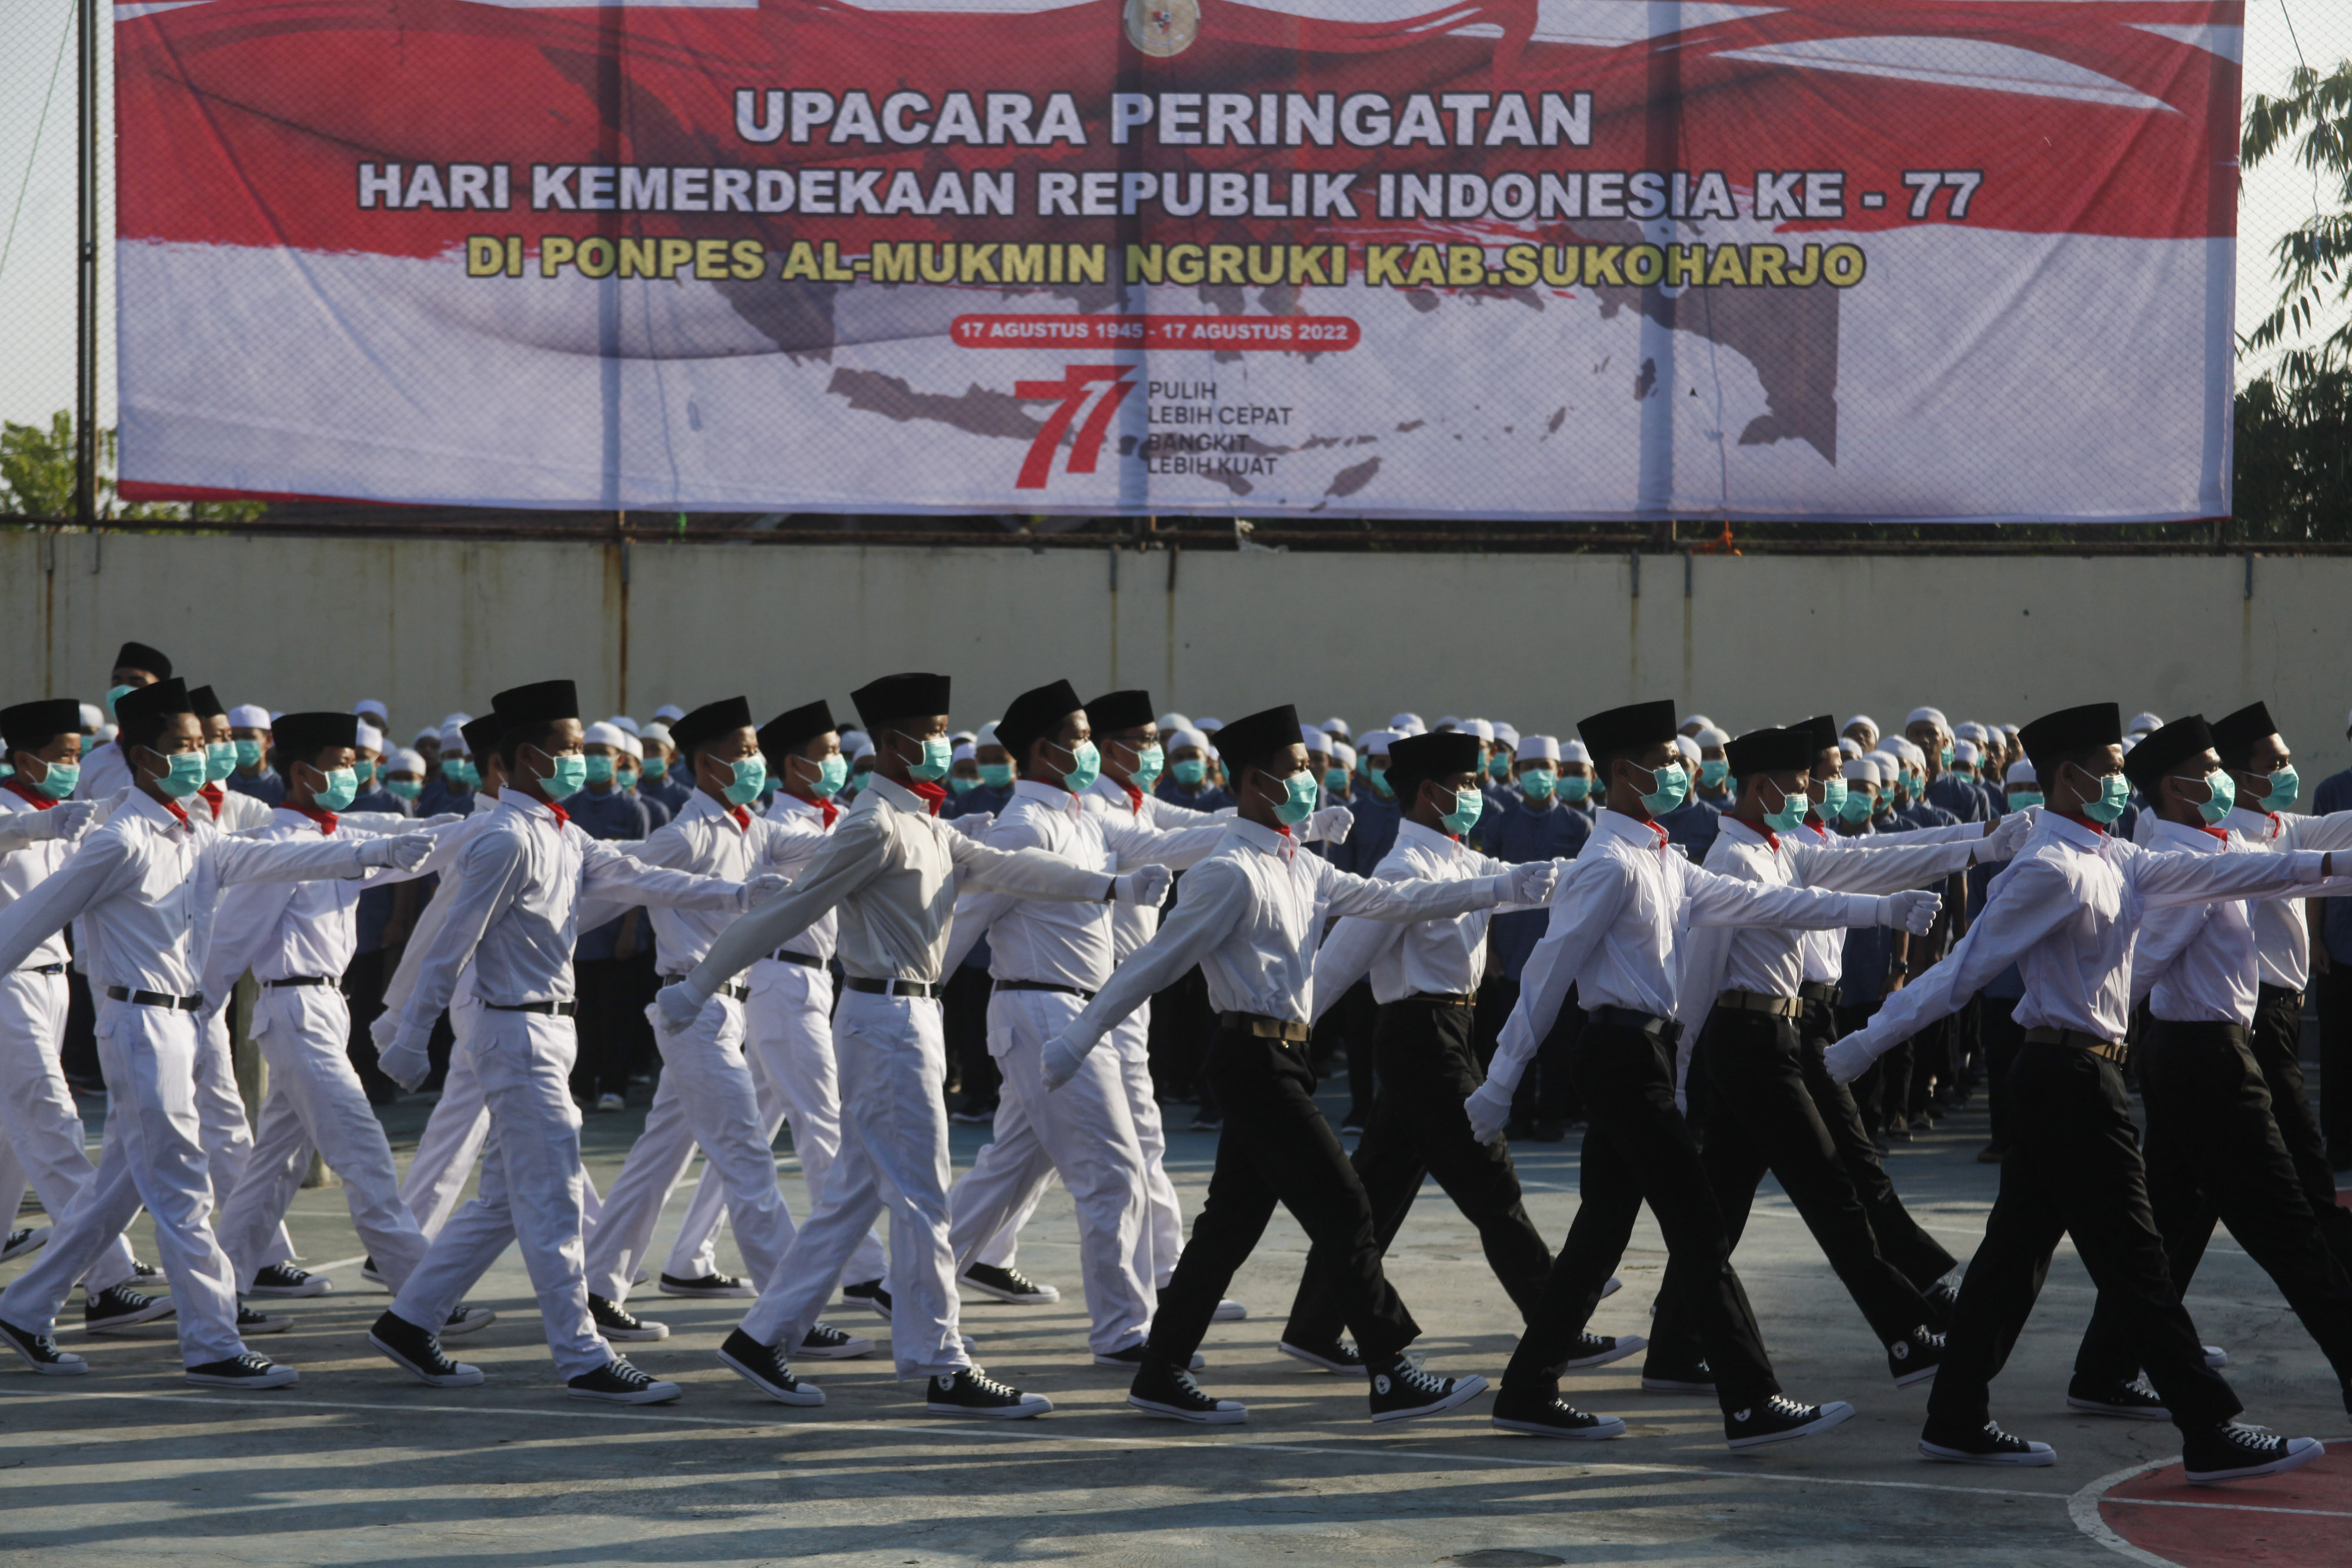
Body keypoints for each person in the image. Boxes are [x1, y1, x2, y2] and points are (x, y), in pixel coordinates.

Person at [1825, 703, 2335, 1482]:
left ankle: (1955, 1414)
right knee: (2136, 1257)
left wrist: (2329, 865)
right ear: (2068, 776)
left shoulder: (2120, 858)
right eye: (2108, 766)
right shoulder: (2047, 868)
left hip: (2081, 1072)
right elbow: (1959, 974)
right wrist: (1859, 1046)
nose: (2120, 782)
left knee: (2013, 1255)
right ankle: (2210, 1427)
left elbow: (2237, 868)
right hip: (2063, 1076)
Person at [1035, 704, 1560, 1428]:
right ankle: (1389, 1369)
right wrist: (1077, 1038)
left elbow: (1391, 898)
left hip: (1285, 1053)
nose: (1311, 781)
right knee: (1344, 1205)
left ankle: (1160, 1371)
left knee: (1229, 1227)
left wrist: (1497, 889)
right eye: (1298, 771)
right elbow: (1155, 965)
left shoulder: (1296, 863)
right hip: (1251, 1060)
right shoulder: (1227, 874)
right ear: (1255, 783)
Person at [656, 671, 1153, 1419]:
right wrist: (697, 989)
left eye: (945, 730)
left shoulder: (920, 821)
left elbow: (1003, 867)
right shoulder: (872, 826)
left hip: (907, 1018)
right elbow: (788, 911)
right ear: (890, 744)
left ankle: (761, 1338)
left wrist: (1108, 888)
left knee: (854, 1196)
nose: (943, 745)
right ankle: (938, 1360)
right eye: (928, 733)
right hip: (882, 1019)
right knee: (921, 1196)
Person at [1469, 700, 1942, 1452]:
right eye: (1665, 760)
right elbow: (1544, 976)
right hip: (1619, 1058)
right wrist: (1499, 1083)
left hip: (1646, 1054)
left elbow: (1761, 901)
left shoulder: (1663, 858)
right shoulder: (1606, 864)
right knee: (1697, 1226)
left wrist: (1876, 910)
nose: (1683, 771)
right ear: (1624, 773)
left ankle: (1528, 1388)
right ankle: (1750, 1399)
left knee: (1598, 1236)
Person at [0, 679, 432, 1388]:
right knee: (179, 1187)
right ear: (142, 756)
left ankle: (26, 1305)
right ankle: (211, 1341)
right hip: (138, 1024)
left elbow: (271, 858)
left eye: (203, 744)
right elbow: (28, 922)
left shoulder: (197, 833)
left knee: (120, 1189)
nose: (200, 757)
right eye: (183, 746)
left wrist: (375, 853)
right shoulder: (120, 841)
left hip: (182, 1022)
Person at [365, 679, 767, 1405]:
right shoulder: (502, 840)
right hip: (513, 1028)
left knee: (503, 1200)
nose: (583, 760)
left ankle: (408, 1319)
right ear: (525, 757)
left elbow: (637, 874)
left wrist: (736, 896)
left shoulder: (561, 831)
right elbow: (449, 945)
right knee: (550, 1199)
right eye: (570, 749)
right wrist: (413, 1035)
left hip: (548, 1027)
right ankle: (581, 1355)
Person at [1642, 724, 2024, 1393]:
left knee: (1721, 1206)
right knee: (1831, 1189)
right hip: (1749, 1044)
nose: (1809, 793)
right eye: (1796, 783)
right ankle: (1905, 1332)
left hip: (1777, 1038)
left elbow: (1874, 855)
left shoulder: (1781, 846)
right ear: (1759, 788)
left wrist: (1977, 846)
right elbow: (1698, 981)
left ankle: (1673, 1347)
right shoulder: (1735, 859)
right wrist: (1678, 1074)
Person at [1282, 729, 1639, 1435]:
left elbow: (1513, 884)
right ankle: (1556, 1316)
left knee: (1375, 1193)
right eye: (1465, 785)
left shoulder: (1455, 855)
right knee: (1492, 1183)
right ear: (1429, 793)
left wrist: (1615, 867)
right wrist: (1290, 1034)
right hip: (1419, 1038)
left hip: (1448, 1033)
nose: (1476, 796)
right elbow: (1339, 961)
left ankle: (1315, 1324)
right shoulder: (1399, 868)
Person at [2064, 714, 2352, 1419]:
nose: (2226, 781)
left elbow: (2299, 863)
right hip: (2208, 1059)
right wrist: (2088, 1041)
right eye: (2216, 768)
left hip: (2199, 1053)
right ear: (2175, 785)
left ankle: (2105, 1366)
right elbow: (2136, 969)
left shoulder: (2206, 843)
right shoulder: (2186, 859)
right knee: (2288, 1221)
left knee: (2172, 1216)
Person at [936, 679, 1231, 1366]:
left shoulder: (1085, 817)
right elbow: (961, 926)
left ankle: (911, 1285)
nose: (1088, 749)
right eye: (1076, 738)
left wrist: (1269, 823)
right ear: (1042, 750)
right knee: (1113, 1171)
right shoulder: (1023, 825)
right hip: (1042, 1007)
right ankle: (1124, 1331)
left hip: (1081, 1010)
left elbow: (1175, 839)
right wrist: (915, 1000)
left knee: (1013, 1166)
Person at [574, 696, 871, 1360]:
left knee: (658, 1158)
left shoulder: (755, 830)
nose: (755, 764)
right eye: (742, 753)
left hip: (728, 1009)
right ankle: (784, 1315)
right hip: (692, 1007)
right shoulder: (683, 836)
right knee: (748, 1161)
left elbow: (827, 847)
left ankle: (595, 1289)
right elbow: (607, 893)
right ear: (706, 765)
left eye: (756, 752)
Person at [202, 712, 485, 1336]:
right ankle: (422, 1294)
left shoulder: (337, 833)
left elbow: (402, 845)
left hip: (328, 1008)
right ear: (302, 772)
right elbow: (228, 944)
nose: (355, 773)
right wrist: (199, 1020)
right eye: (342, 762)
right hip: (293, 1008)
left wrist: (474, 828)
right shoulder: (277, 848)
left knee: (271, 1167)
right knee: (363, 1152)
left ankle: (214, 1294)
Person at [656, 699, 892, 1310]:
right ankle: (865, 1270)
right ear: (795, 765)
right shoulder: (776, 826)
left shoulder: (833, 818)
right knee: (822, 1125)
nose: (839, 764)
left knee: (750, 1134)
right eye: (829, 755)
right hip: (777, 983)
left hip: (807, 983)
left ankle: (688, 1258)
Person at [0, 701, 147, 1317]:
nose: (70, 766)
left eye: (76, 755)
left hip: (52, 981)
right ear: (24, 756)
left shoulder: (55, 815)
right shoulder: (14, 812)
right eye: (61, 756)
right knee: (54, 1123)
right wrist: (49, 824)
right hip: (9, 983)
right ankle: (106, 1280)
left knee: (13, 1137)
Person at [2204, 701, 2352, 1257]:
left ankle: (2144, 1335)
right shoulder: (2225, 842)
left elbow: (2339, 831)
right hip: (2255, 1014)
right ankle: (2338, 1276)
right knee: (2304, 1156)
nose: (2289, 771)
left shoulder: (2285, 827)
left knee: (2192, 1188)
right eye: (2278, 761)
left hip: (2282, 1012)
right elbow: (2297, 874)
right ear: (2243, 777)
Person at [71, 641, 173, 803]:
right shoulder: (94, 762)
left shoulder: (179, 759)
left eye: (136, 683)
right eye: (117, 683)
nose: (123, 691)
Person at [1157, 728, 1231, 813]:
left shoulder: (1226, 802)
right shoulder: (1163, 803)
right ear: (1171, 763)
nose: (1186, 762)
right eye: (1179, 758)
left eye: (1193, 756)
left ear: (1208, 761)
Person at [225, 704, 286, 805]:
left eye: (248, 737)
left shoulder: (283, 789)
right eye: (234, 737)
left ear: (269, 740)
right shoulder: (222, 785)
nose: (240, 742)